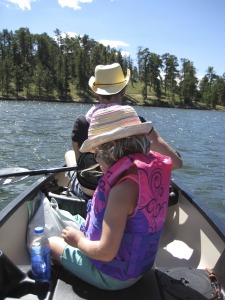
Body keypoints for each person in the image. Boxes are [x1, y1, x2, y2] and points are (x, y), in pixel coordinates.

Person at [49, 105, 172, 290]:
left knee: (50, 244)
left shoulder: (122, 190)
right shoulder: (141, 174)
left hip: (114, 276)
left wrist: (79, 242)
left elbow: (106, 253)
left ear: (112, 151)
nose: (97, 161)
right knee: (67, 217)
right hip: (139, 266)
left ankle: (63, 263)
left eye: (97, 154)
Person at [65, 63, 182, 199]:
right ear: (123, 90)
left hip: (89, 190)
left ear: (96, 93)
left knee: (69, 155)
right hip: (128, 194)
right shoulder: (137, 123)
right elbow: (176, 163)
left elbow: (81, 163)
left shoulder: (82, 122)